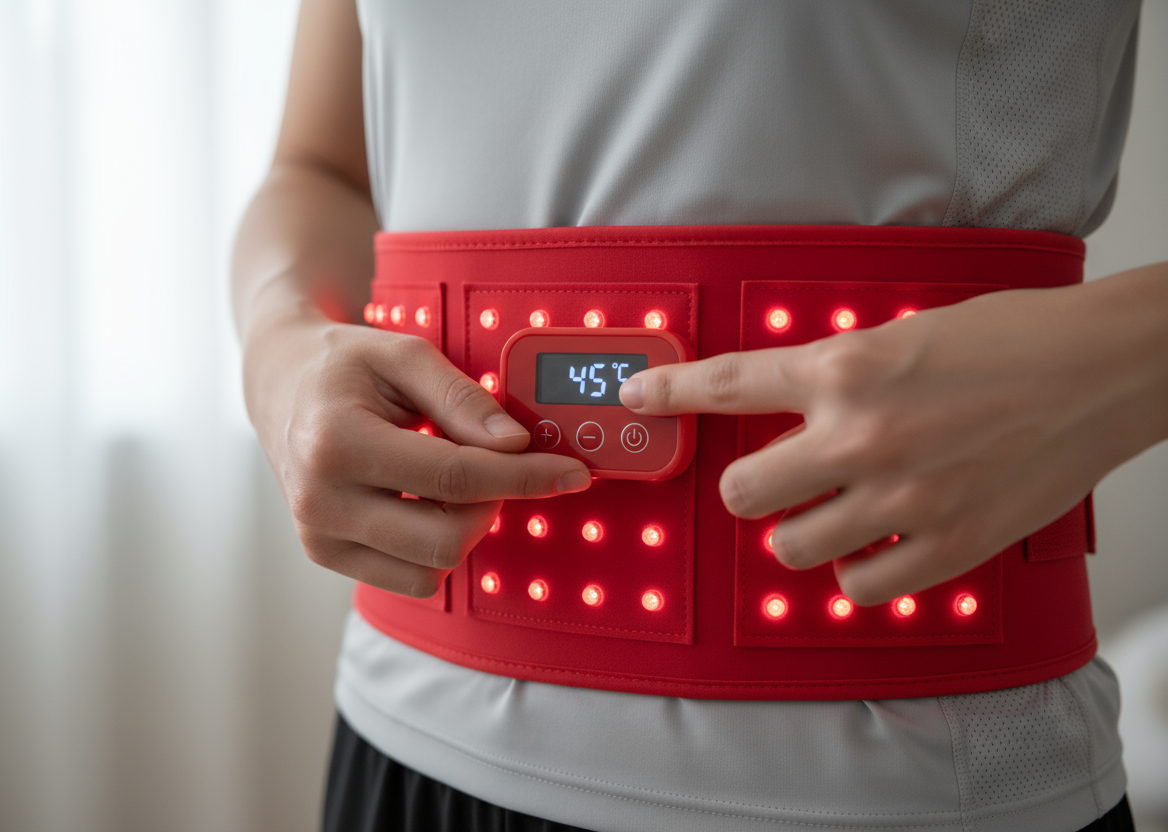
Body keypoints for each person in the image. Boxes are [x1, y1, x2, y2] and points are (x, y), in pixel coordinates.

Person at [232, 1, 1165, 830]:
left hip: (891, 778)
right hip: (406, 735)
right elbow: (321, 170)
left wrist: (1116, 364)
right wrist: (277, 350)